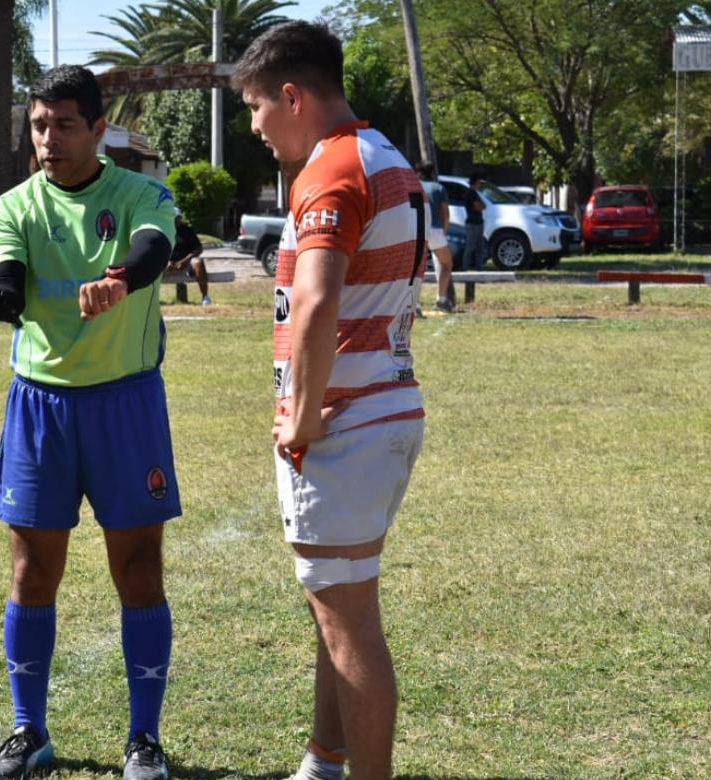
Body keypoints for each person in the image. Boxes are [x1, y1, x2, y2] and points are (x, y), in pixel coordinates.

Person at [0, 65, 180, 780]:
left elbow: (156, 247)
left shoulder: (140, 192)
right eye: (39, 124)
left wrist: (119, 281)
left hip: (126, 403)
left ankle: (144, 740)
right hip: (42, 406)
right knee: (33, 571)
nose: (49, 138)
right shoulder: (12, 208)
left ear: (99, 129)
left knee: (138, 568)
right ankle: (29, 731)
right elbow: (8, 293)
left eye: (65, 124)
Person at [234, 20, 426, 780]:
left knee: (350, 626)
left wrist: (305, 414)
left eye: (255, 106)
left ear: (291, 95)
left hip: (347, 421)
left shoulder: (331, 168)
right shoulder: (387, 157)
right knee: (334, 606)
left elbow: (314, 304)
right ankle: (323, 761)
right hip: (385, 405)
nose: (252, 125)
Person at [417, 162, 456, 312]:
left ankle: (416, 305)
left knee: (417, 269)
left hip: (418, 230)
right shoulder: (438, 188)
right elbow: (445, 212)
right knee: (446, 264)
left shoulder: (414, 186)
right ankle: (442, 300)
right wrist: (444, 230)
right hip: (435, 230)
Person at [169, 211, 212, 305]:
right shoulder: (163, 230)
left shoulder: (187, 231)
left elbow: (198, 249)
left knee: (198, 262)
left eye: (178, 217)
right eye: (174, 217)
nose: (176, 220)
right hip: (167, 263)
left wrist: (184, 261)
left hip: (186, 262)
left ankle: (205, 297)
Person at [463, 171, 489, 271]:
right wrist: (481, 205)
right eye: (479, 182)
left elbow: (484, 205)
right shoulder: (471, 193)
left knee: (479, 248)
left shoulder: (476, 193)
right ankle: (465, 268)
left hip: (478, 223)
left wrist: (482, 205)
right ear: (475, 182)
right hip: (472, 224)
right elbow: (479, 206)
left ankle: (480, 268)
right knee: (470, 247)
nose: (480, 185)